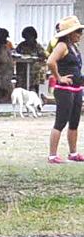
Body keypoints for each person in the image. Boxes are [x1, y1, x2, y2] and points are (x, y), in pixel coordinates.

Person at [46, 16, 84, 164]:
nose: (80, 34)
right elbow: (50, 61)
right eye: (78, 31)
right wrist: (59, 77)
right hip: (64, 89)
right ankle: (52, 155)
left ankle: (73, 152)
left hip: (76, 88)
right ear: (70, 33)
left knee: (74, 121)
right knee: (61, 121)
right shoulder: (62, 46)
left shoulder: (74, 47)